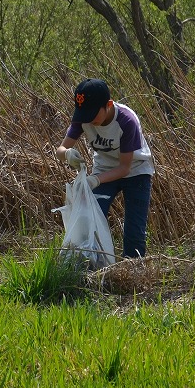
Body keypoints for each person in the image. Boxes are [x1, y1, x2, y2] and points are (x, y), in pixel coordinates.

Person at [55, 78, 155, 259]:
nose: (88, 119)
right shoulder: (83, 117)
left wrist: (95, 179)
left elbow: (125, 168)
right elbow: (60, 150)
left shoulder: (126, 121)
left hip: (136, 171)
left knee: (134, 233)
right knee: (90, 220)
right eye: (84, 114)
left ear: (108, 105)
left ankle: (132, 272)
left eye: (93, 114)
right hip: (104, 169)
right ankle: (91, 267)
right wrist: (68, 154)